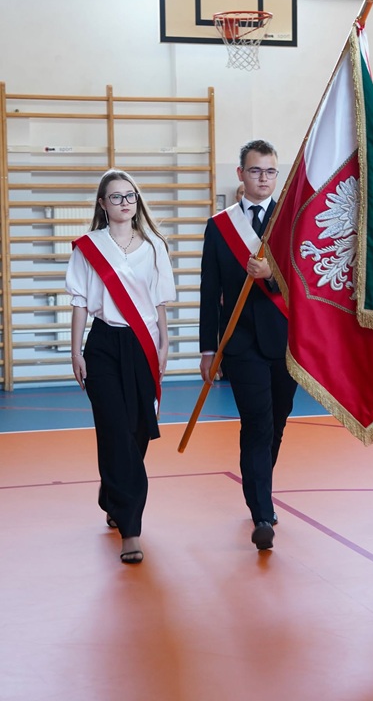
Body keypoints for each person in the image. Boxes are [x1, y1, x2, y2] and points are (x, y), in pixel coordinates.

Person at [66, 169, 176, 564]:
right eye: (116, 196)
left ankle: (113, 491)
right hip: (103, 344)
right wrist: (75, 351)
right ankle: (131, 530)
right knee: (115, 430)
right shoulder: (88, 248)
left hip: (143, 343)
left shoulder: (154, 246)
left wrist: (164, 344)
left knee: (138, 430)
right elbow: (80, 302)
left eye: (130, 195)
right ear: (102, 203)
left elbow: (159, 302)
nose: (125, 202)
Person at [199, 139, 297, 551]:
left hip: (286, 342)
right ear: (241, 174)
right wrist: (208, 350)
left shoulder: (290, 222)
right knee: (257, 423)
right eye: (255, 171)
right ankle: (261, 511)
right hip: (240, 344)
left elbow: (304, 284)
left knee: (277, 422)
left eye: (270, 171)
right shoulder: (219, 227)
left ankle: (260, 486)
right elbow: (209, 292)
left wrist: (271, 276)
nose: (263, 178)